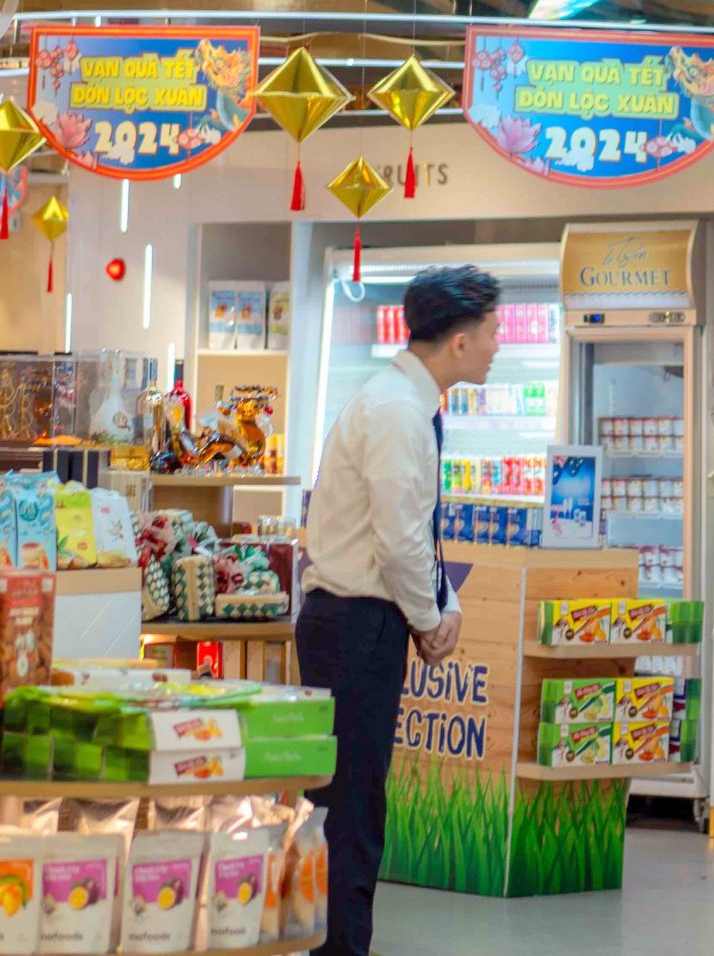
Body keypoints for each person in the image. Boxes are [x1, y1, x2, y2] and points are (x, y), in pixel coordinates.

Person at [297, 264, 496, 956]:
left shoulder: (405, 402)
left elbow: (412, 529)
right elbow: (398, 537)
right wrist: (431, 618)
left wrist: (443, 602)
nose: (499, 343)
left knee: (353, 800)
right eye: (493, 330)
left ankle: (340, 942)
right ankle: (340, 948)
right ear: (460, 342)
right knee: (351, 807)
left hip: (360, 621)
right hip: (355, 625)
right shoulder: (397, 411)